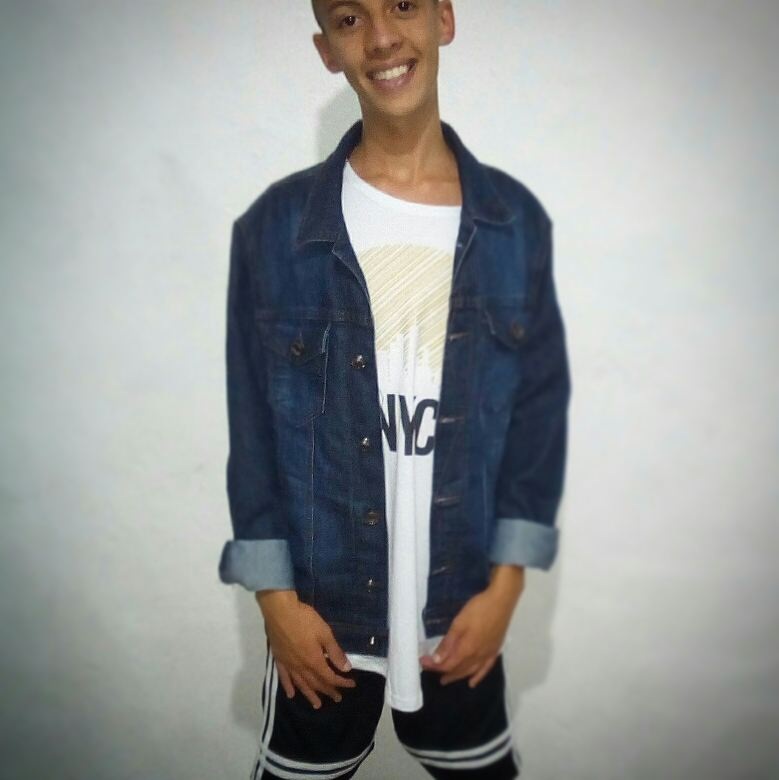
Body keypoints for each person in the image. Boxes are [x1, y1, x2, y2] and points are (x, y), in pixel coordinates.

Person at [218, 1, 571, 777]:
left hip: (461, 606)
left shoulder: (514, 225)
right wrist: (276, 603)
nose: (381, 37)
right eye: (350, 18)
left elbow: (538, 420)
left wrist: (505, 588)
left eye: (402, 4)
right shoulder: (273, 230)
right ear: (326, 48)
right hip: (322, 612)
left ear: (444, 18)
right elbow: (252, 433)